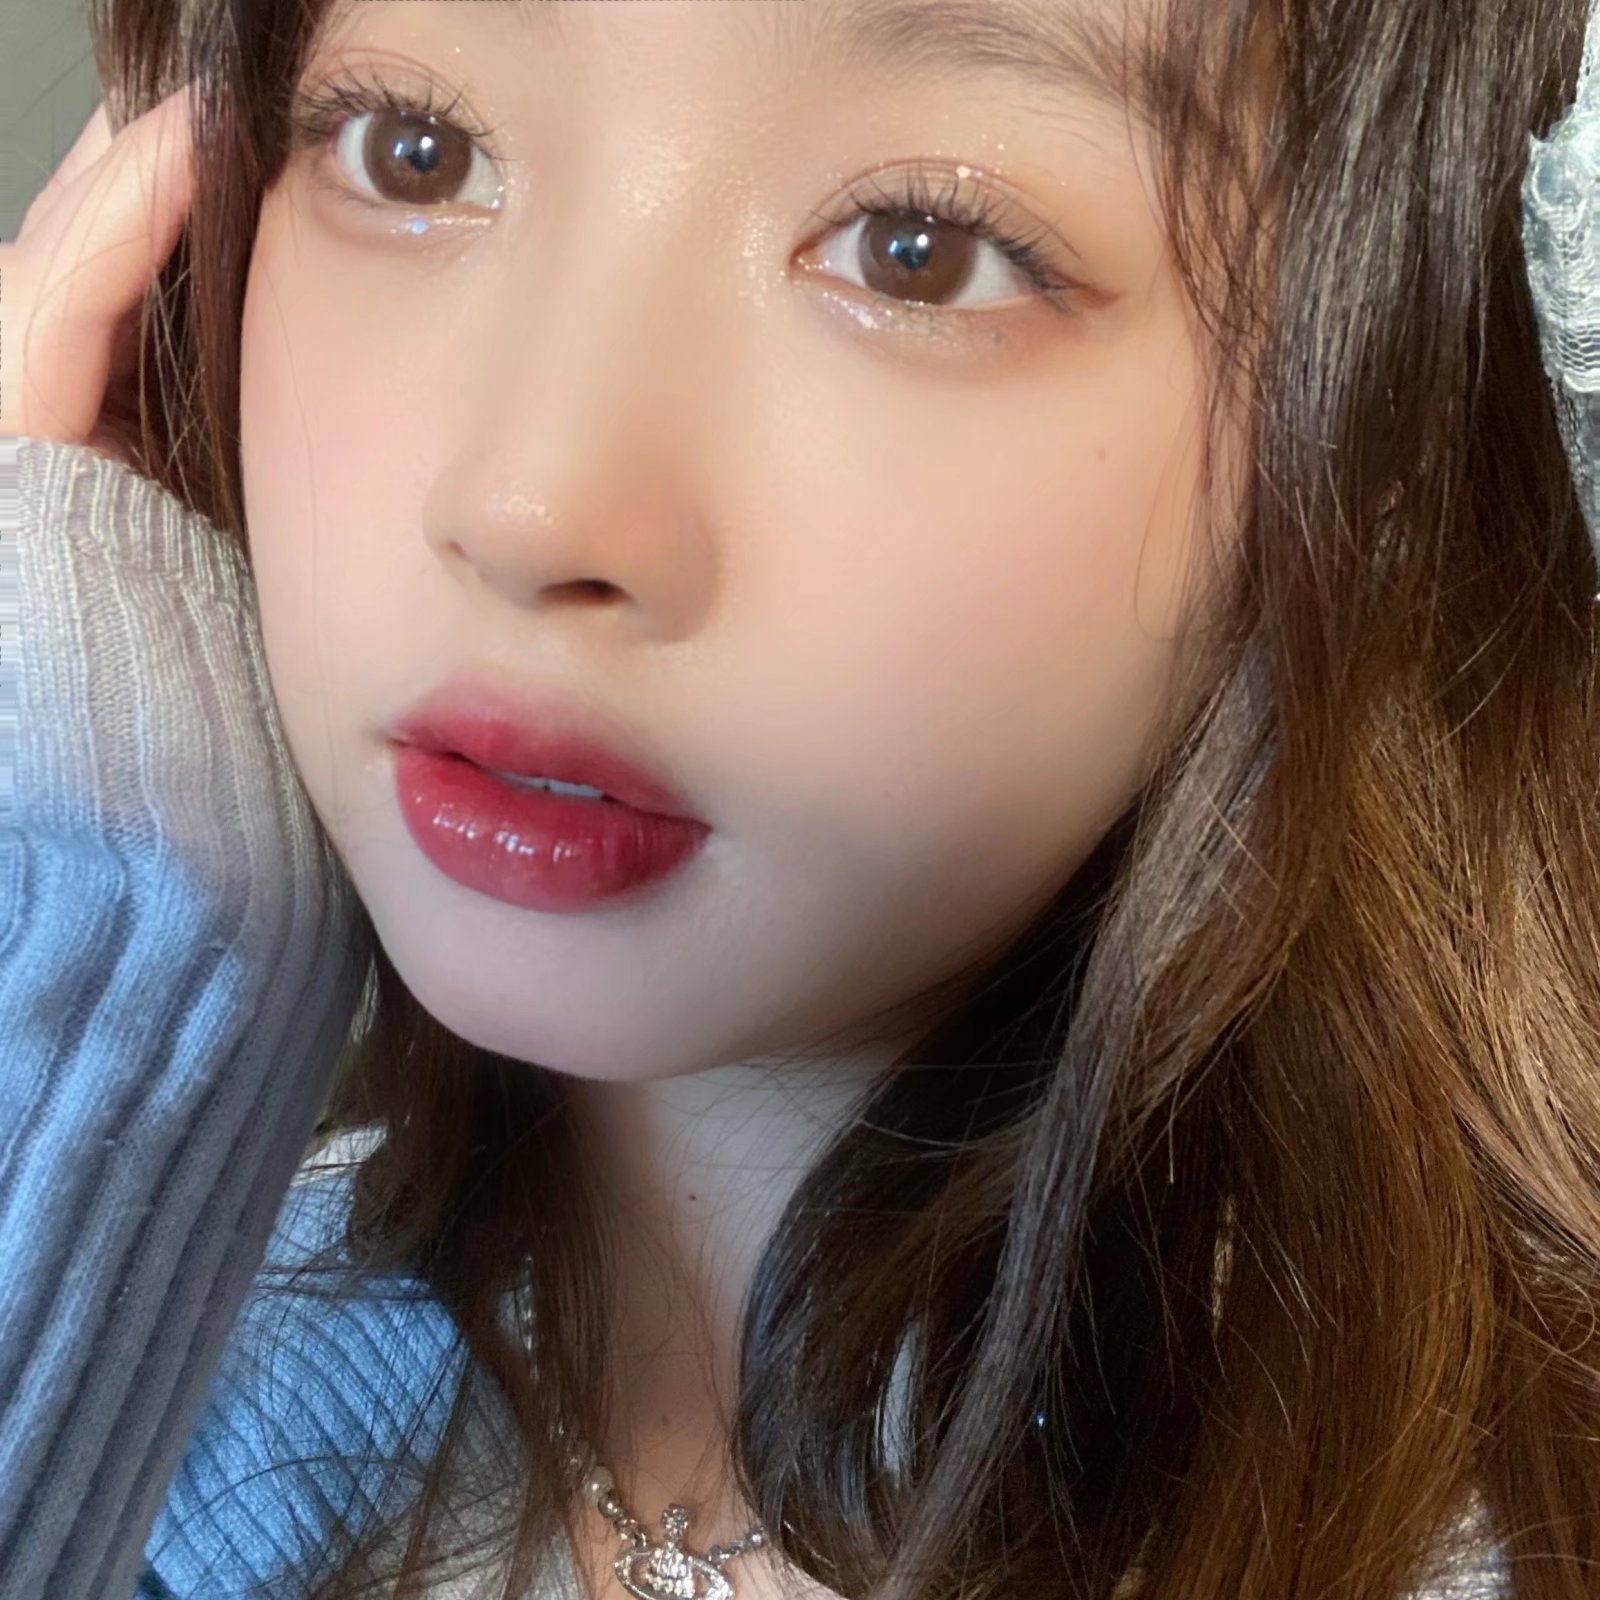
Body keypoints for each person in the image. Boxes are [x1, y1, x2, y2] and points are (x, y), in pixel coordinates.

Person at [1, 0, 1596, 1595]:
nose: (532, 505)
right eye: (415, 152)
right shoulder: (152, 1358)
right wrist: (110, 900)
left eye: (922, 251)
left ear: (1389, 422)